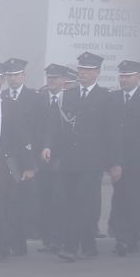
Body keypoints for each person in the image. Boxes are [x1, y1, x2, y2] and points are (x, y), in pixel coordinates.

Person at [49, 51, 115, 262]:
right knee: (69, 202)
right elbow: (58, 128)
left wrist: (113, 162)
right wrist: (52, 151)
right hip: (69, 159)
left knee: (81, 202)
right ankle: (88, 244)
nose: (83, 73)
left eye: (87, 69)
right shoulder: (68, 95)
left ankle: (70, 246)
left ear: (97, 72)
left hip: (92, 161)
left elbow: (111, 133)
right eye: (80, 69)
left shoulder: (106, 97)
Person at [108, 60, 140, 255]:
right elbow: (108, 131)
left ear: (138, 77)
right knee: (120, 198)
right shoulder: (112, 99)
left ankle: (139, 234)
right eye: (122, 76)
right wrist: (111, 160)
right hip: (118, 158)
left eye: (128, 76)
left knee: (138, 198)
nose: (124, 80)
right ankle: (123, 238)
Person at [0, 58, 35, 262]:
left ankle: (12, 243)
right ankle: (0, 245)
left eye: (16, 74)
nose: (12, 78)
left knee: (12, 205)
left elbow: (25, 136)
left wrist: (29, 165)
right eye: (9, 75)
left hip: (11, 161)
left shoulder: (14, 103)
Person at [34, 64, 70, 253]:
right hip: (42, 158)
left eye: (55, 78)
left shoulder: (71, 99)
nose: (51, 81)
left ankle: (59, 238)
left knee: (60, 199)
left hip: (64, 158)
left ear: (64, 80)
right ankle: (47, 238)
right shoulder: (39, 100)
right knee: (44, 199)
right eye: (49, 77)